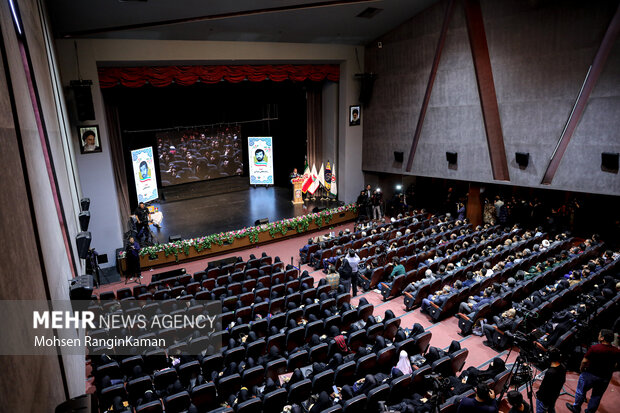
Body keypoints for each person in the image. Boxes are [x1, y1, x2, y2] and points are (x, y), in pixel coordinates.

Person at [566, 329, 620, 413]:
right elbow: (616, 365)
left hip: (590, 374)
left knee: (581, 391)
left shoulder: (595, 348)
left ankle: (576, 408)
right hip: (605, 377)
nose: (598, 336)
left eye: (599, 335)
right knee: (596, 396)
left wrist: (581, 369)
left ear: (602, 338)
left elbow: (584, 361)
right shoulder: (616, 351)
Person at [535, 348, 565, 413]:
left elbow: (545, 388)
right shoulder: (562, 367)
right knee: (551, 408)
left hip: (544, 399)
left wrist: (539, 396)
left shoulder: (550, 373)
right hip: (554, 396)